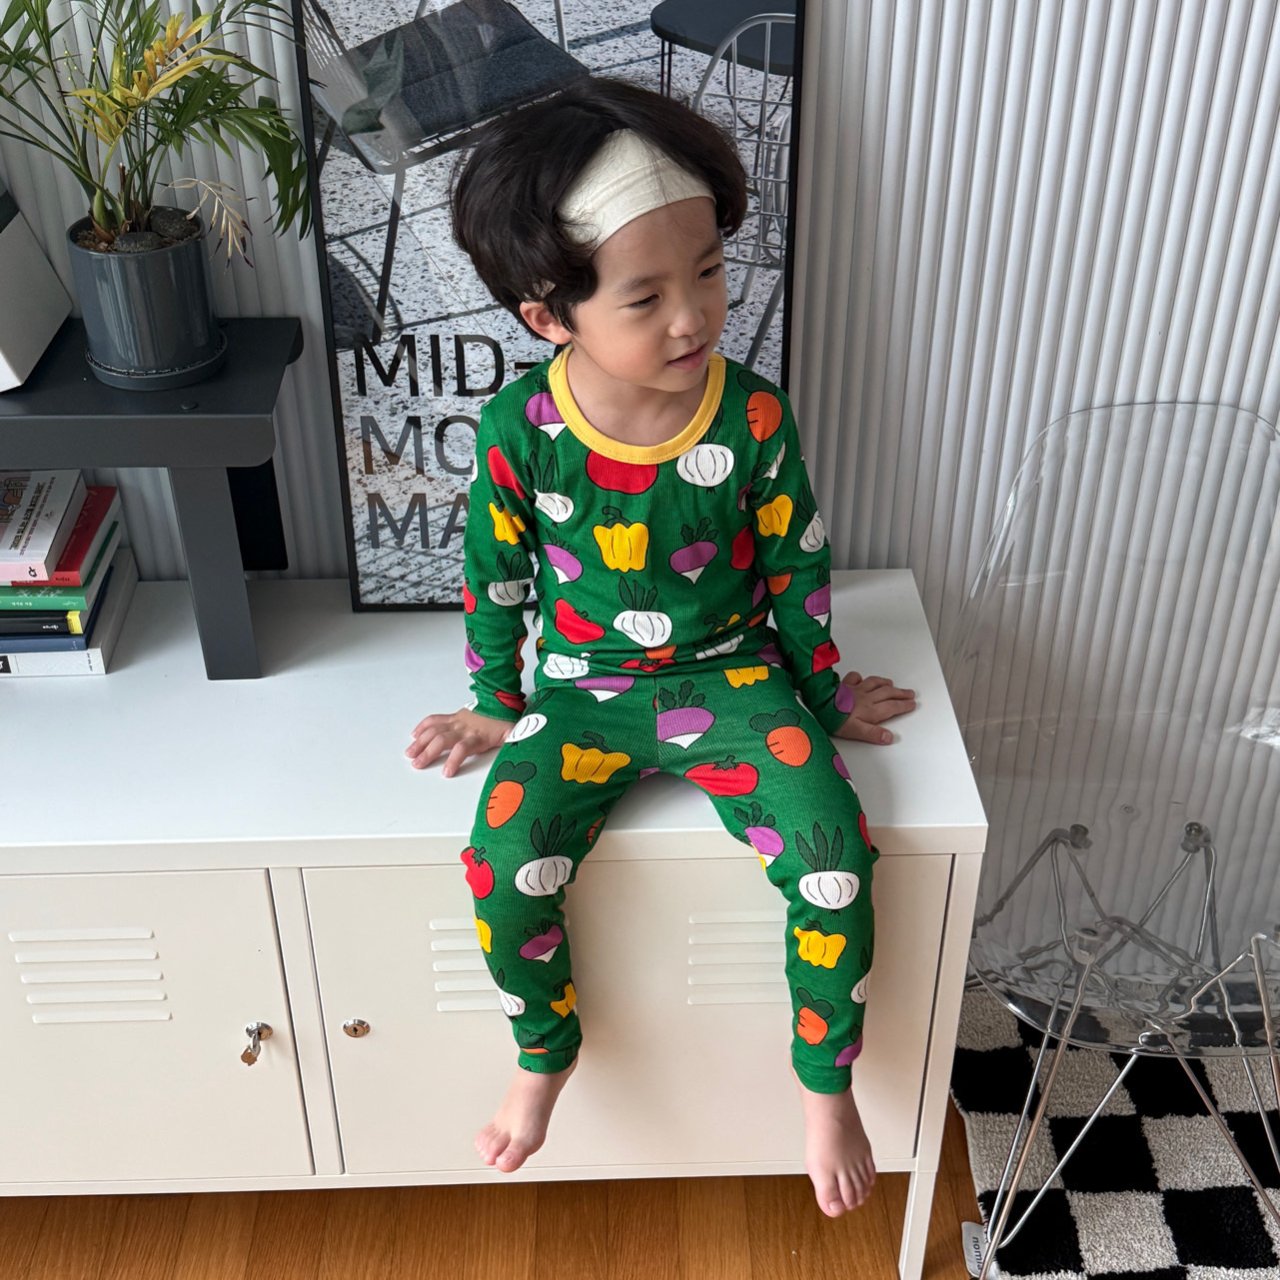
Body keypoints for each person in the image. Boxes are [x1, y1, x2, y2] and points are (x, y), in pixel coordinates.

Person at [405, 77, 915, 1219]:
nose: (693, 317)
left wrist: (823, 693)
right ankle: (544, 1053)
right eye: (644, 297)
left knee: (834, 852)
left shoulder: (753, 417)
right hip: (579, 693)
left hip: (735, 677)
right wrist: (493, 698)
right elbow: (496, 572)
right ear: (549, 316)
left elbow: (796, 566)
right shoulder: (522, 429)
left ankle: (825, 1085)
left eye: (709, 273)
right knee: (501, 863)